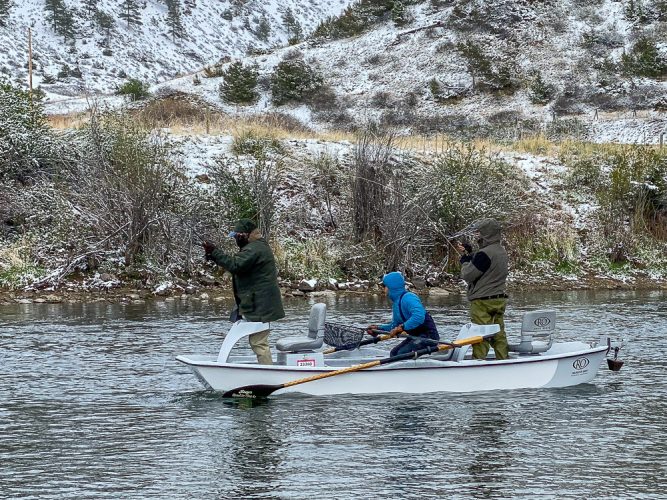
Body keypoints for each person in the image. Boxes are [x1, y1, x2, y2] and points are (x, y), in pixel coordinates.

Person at [202, 218, 285, 365]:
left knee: (259, 342)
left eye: (236, 236)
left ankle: (268, 374)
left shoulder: (255, 249)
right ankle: (266, 369)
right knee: (258, 341)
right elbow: (238, 263)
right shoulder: (256, 247)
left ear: (245, 235)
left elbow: (235, 264)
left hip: (261, 305)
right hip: (258, 303)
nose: (235, 239)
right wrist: (213, 254)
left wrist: (215, 252)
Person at [455, 218, 509, 360]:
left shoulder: (484, 254)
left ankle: (478, 362)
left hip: (482, 302)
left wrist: (465, 261)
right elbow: (486, 266)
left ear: (487, 233)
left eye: (479, 232)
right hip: (499, 299)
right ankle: (503, 359)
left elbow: (467, 275)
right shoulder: (501, 251)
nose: (477, 235)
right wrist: (471, 253)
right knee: (499, 333)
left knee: (480, 334)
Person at [367, 271, 439, 357]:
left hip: (429, 337)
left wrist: (402, 327)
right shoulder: (396, 304)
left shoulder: (409, 297)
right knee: (394, 353)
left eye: (384, 286)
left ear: (392, 286)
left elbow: (419, 316)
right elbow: (395, 326)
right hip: (415, 336)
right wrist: (378, 329)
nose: (383, 289)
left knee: (402, 353)